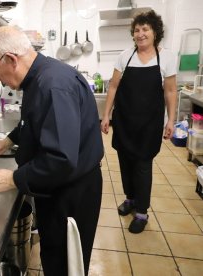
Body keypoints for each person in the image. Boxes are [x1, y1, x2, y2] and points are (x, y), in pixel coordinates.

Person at [0, 26, 104, 276]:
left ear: (11, 60)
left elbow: (59, 159)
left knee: (64, 264)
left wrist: (13, 178)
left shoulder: (52, 85)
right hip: (61, 187)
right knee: (54, 255)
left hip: (71, 194)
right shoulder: (40, 77)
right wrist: (8, 141)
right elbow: (36, 121)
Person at [101, 10, 177, 234]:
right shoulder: (125, 56)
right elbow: (113, 87)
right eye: (137, 30)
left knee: (143, 166)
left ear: (155, 32)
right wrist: (106, 115)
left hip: (149, 125)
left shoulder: (167, 58)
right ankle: (130, 199)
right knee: (125, 163)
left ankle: (142, 211)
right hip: (125, 121)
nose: (141, 34)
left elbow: (171, 92)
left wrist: (171, 120)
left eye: (145, 29)